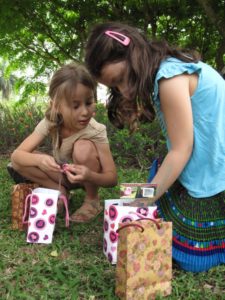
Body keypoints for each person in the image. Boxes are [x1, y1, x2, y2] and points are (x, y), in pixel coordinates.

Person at [85, 22, 225, 272]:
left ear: (133, 53)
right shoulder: (168, 68)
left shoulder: (169, 79)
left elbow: (181, 151)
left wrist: (142, 201)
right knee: (151, 181)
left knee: (187, 256)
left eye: (121, 80)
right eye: (114, 87)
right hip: (207, 159)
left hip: (215, 173)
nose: (124, 92)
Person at [8, 63, 117, 223]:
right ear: (56, 106)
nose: (85, 112)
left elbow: (112, 178)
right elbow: (16, 155)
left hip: (85, 177)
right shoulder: (51, 121)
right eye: (75, 106)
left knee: (82, 148)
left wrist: (89, 175)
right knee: (21, 160)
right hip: (60, 174)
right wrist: (40, 160)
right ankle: (59, 191)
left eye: (89, 102)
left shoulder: (96, 130)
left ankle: (92, 200)